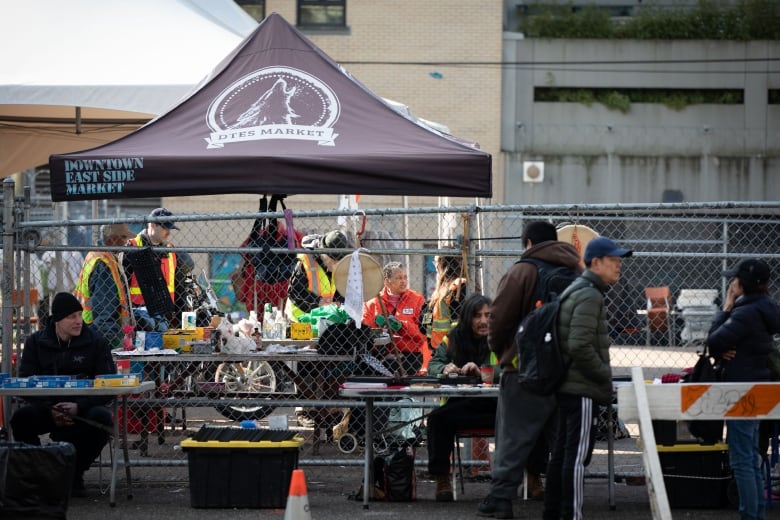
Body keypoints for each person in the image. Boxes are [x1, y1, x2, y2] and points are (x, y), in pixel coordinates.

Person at [478, 221, 582, 519]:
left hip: (524, 369)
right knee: (561, 438)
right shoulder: (577, 272)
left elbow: (498, 318)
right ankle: (563, 500)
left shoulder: (522, 271)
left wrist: (504, 354)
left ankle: (500, 499)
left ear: (527, 243)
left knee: (513, 434)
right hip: (566, 370)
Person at [542, 236, 632, 520]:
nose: (619, 266)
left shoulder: (580, 289)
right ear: (596, 262)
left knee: (563, 454)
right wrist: (604, 376)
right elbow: (579, 344)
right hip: (579, 387)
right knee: (577, 458)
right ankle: (571, 515)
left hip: (568, 385)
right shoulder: (589, 294)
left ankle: (553, 513)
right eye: (614, 260)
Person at [9, 292, 116, 497]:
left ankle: (74, 474)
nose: (79, 321)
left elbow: (108, 385)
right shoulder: (36, 342)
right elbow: (26, 383)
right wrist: (50, 409)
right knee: (21, 419)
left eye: (80, 314)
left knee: (102, 419)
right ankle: (44, 472)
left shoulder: (96, 342)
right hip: (48, 408)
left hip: (82, 409)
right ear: (58, 320)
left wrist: (79, 406)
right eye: (72, 316)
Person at [708, 258, 780, 520]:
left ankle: (751, 514)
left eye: (734, 279)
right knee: (751, 456)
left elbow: (714, 341)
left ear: (743, 283)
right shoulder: (765, 308)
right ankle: (756, 512)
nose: (731, 283)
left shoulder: (745, 312)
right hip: (757, 387)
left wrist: (727, 306)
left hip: (741, 390)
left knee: (742, 460)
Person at [426, 293, 497, 502]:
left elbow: (515, 367)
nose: (484, 321)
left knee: (527, 418)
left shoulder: (502, 336)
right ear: (467, 318)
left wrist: (483, 371)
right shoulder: (452, 338)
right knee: (438, 419)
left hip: (498, 405)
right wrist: (444, 369)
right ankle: (442, 479)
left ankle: (532, 476)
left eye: (488, 315)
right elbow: (433, 365)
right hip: (462, 405)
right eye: (477, 316)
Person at [124, 207, 193, 331]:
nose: (168, 233)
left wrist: (180, 322)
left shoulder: (171, 251)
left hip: (165, 318)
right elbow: (122, 287)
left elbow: (180, 289)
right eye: (165, 228)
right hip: (138, 317)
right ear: (152, 225)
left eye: (170, 228)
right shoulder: (132, 247)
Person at [74, 223, 135, 348]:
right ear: (112, 238)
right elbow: (104, 315)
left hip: (88, 329)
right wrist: (118, 343)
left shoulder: (95, 255)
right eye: (123, 237)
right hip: (101, 337)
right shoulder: (104, 263)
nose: (126, 242)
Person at [362, 261, 427, 376]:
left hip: (409, 356)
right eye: (399, 278)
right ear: (387, 281)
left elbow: (422, 335)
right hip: (379, 355)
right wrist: (378, 328)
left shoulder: (417, 300)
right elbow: (364, 331)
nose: (403, 281)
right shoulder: (373, 302)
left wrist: (402, 326)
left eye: (405, 278)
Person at [285, 229, 352, 323]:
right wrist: (318, 302)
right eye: (334, 260)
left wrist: (338, 304)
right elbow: (294, 292)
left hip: (326, 319)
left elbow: (339, 290)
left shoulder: (340, 264)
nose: (337, 263)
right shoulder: (307, 259)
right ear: (325, 255)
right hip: (300, 319)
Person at [422, 251, 468, 352]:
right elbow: (426, 318)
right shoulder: (439, 291)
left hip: (449, 346)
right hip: (441, 346)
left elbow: (425, 321)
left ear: (440, 265)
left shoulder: (457, 287)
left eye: (435, 263)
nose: (435, 267)